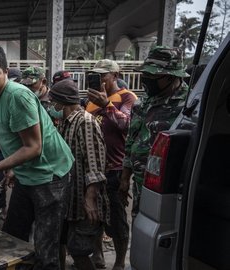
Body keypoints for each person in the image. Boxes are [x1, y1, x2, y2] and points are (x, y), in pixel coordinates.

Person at [0, 45, 74, 269]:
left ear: (6, 72)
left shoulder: (18, 97)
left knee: (46, 249)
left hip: (50, 175)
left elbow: (33, 147)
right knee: (12, 239)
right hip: (26, 176)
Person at [121, 47, 190, 219]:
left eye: (152, 76)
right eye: (146, 75)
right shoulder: (142, 103)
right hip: (139, 182)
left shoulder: (188, 106)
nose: (146, 80)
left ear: (171, 76)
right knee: (139, 224)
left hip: (167, 189)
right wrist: (124, 179)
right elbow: (131, 140)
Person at [48, 80, 109, 270]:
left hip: (84, 204)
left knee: (79, 251)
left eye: (53, 101)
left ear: (61, 102)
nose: (51, 106)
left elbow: (95, 165)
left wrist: (90, 199)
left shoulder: (85, 122)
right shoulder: (65, 124)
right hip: (70, 201)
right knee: (59, 243)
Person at [85, 59, 137, 270]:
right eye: (95, 76)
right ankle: (97, 255)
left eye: (103, 76)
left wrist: (106, 105)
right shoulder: (90, 100)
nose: (99, 80)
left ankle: (118, 262)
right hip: (93, 168)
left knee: (117, 219)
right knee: (94, 216)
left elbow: (127, 124)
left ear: (115, 76)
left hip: (115, 169)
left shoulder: (127, 97)